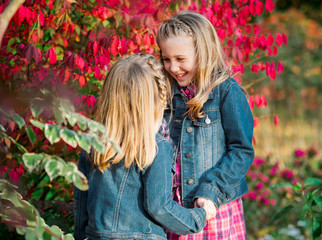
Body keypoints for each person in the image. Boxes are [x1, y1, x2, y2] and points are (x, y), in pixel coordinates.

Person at [74, 54, 215, 240]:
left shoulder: (93, 146)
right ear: (156, 100)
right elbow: (160, 207)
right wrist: (198, 217)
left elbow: (81, 205)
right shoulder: (155, 148)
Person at [156, 11, 255, 239]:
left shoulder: (226, 92)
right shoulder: (164, 93)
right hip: (172, 209)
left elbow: (241, 151)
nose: (172, 67)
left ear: (203, 54)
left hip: (210, 208)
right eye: (166, 59)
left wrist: (212, 191)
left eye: (181, 59)